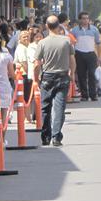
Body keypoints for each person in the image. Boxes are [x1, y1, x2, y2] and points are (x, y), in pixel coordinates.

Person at [33, 15, 76, 147]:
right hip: (62, 76)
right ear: (59, 26)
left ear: (46, 26)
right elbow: (72, 60)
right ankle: (56, 136)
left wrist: (36, 80)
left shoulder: (42, 43)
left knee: (45, 108)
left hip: (47, 77)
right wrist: (72, 73)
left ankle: (45, 136)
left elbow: (36, 64)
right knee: (59, 108)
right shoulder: (66, 41)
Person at [71, 11, 101, 101]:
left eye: (87, 18)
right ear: (80, 20)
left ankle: (93, 94)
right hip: (79, 54)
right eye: (83, 18)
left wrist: (99, 56)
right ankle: (84, 95)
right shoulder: (75, 30)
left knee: (92, 74)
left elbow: (98, 43)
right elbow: (71, 43)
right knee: (81, 75)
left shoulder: (94, 30)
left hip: (91, 54)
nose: (85, 20)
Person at [14, 30, 32, 120]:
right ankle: (27, 117)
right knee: (25, 97)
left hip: (26, 74)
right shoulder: (21, 48)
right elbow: (24, 63)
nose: (26, 38)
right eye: (24, 36)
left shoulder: (28, 47)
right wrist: (30, 74)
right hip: (24, 75)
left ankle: (28, 117)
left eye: (27, 36)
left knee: (27, 97)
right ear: (20, 39)